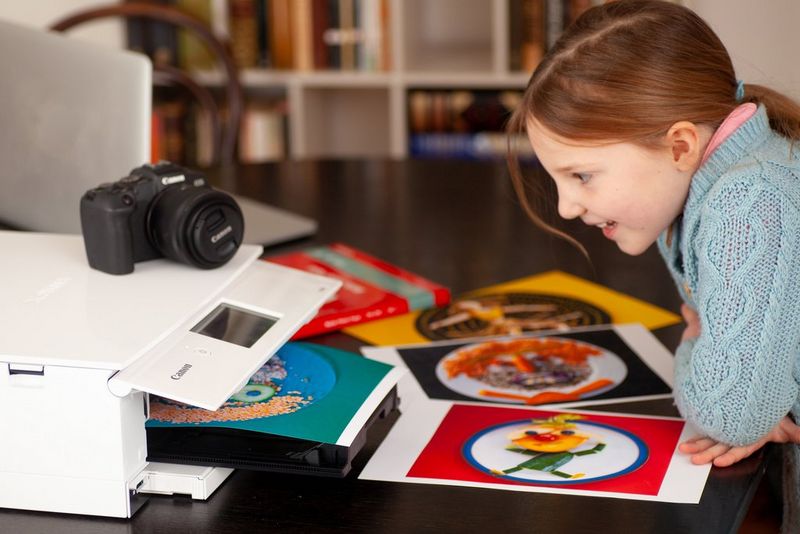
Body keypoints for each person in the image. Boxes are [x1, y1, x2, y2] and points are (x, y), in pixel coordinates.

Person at [506, 0, 800, 528]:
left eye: (582, 176)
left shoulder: (748, 202)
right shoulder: (705, 183)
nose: (568, 207)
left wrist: (692, 345)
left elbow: (728, 414)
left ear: (680, 145)